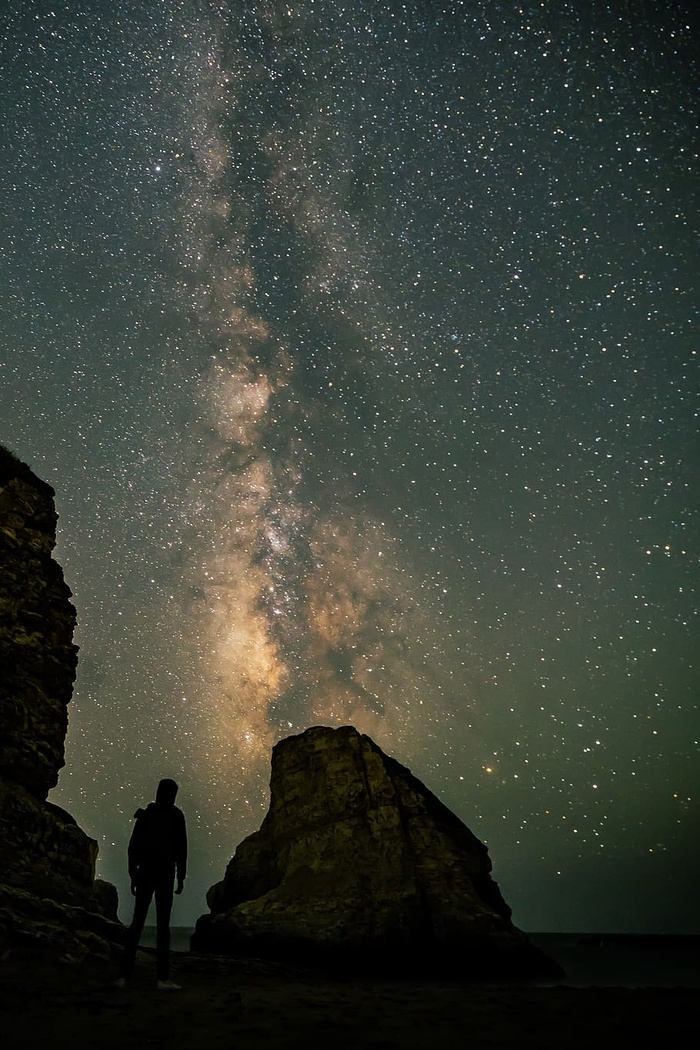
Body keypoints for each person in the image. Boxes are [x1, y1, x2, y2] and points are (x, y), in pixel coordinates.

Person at [116, 778, 187, 990]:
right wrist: (181, 876)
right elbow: (181, 849)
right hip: (160, 874)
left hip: (149, 873)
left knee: (139, 924)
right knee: (159, 926)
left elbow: (133, 847)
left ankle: (125, 976)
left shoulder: (149, 815)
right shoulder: (174, 816)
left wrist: (133, 875)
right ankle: (161, 979)